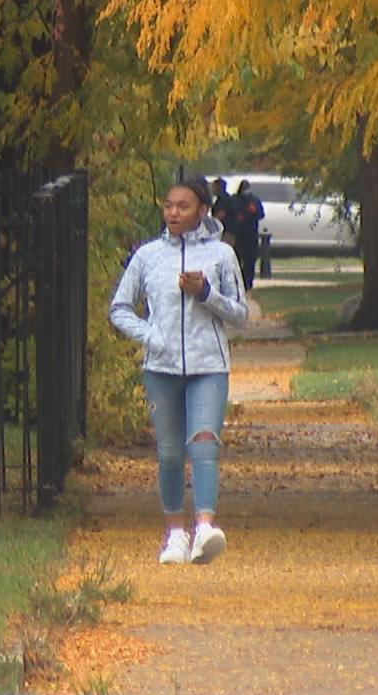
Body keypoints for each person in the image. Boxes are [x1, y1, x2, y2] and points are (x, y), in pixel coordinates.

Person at [108, 176, 248, 565]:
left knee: (203, 443)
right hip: (161, 366)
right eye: (169, 205)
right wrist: (150, 335)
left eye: (183, 206)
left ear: (202, 211)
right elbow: (120, 308)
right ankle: (175, 534)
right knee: (170, 452)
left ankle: (205, 526)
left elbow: (240, 315)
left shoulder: (221, 255)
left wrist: (205, 294)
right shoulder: (148, 256)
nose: (173, 212)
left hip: (208, 365)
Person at [225, 179, 266, 290]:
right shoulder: (234, 200)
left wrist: (255, 211)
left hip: (251, 234)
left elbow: (261, 214)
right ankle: (237, 282)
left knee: (250, 260)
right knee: (236, 259)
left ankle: (248, 283)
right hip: (238, 234)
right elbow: (229, 215)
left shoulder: (254, 200)